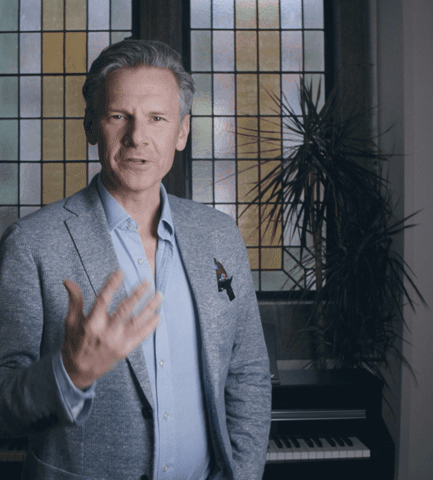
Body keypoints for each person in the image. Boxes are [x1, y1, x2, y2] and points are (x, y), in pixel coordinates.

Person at [0, 39, 271, 480]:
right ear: (91, 125)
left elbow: (248, 373)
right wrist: (69, 375)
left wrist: (242, 474)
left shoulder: (220, 236)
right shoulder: (31, 245)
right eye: (118, 116)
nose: (137, 137)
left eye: (157, 118)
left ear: (182, 131)